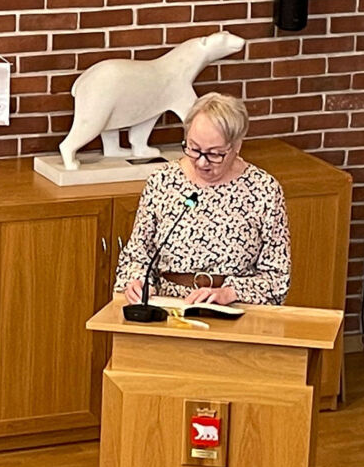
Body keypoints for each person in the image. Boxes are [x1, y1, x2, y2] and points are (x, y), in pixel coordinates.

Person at [114, 92, 291, 306]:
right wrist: (138, 282)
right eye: (194, 149)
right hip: (169, 309)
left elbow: (277, 278)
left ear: (236, 146)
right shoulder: (162, 182)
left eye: (214, 154)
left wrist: (229, 293)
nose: (202, 163)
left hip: (235, 311)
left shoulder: (263, 190)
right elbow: (137, 256)